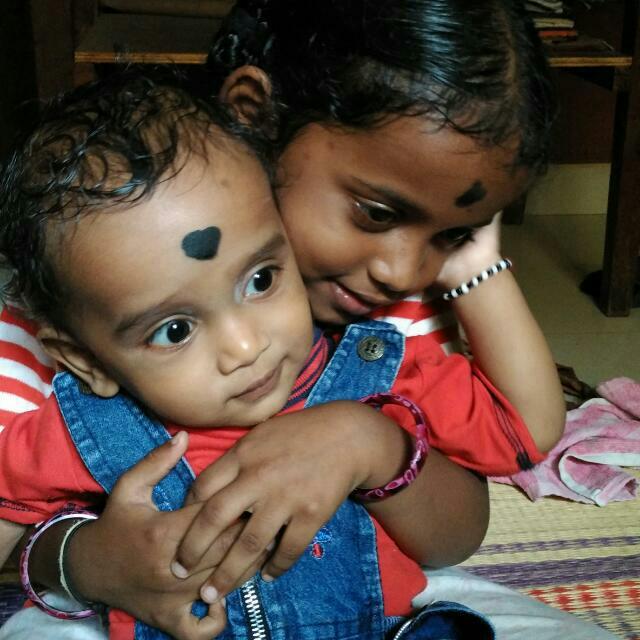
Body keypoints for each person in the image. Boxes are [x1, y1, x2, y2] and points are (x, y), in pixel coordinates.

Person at [0, 1, 613, 638]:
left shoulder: (384, 336)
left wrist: (373, 440)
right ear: (255, 118)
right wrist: (86, 560)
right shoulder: (75, 303)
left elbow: (467, 516)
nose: (403, 272)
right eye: (376, 212)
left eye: (263, 279)